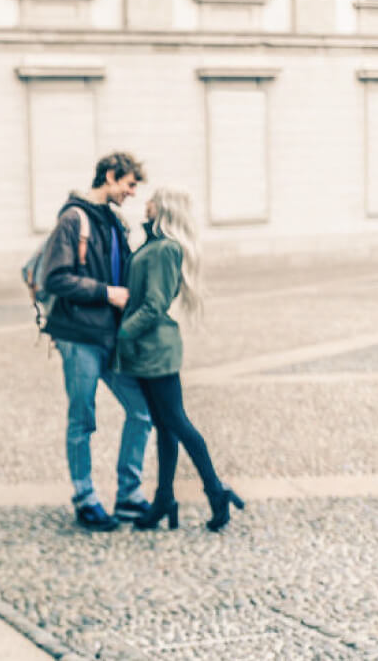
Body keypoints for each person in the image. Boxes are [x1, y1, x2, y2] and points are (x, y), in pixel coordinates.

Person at [113, 187, 245, 532]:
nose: (147, 203)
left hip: (155, 350)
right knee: (166, 426)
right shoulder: (154, 245)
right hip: (148, 350)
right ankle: (164, 498)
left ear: (165, 209)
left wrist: (124, 333)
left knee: (176, 422)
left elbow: (154, 304)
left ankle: (215, 490)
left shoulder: (165, 250)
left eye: (153, 200)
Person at [41, 152, 153, 531]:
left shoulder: (115, 221)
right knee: (83, 418)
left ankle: (129, 494)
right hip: (79, 337)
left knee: (142, 411)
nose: (132, 193)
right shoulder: (74, 219)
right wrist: (106, 293)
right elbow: (54, 278)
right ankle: (86, 498)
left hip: (112, 336)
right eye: (129, 184)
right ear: (110, 176)